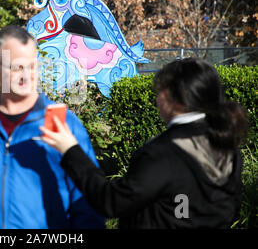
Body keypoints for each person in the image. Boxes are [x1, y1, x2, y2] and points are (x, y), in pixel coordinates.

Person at [41, 57, 249, 228]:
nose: (157, 98)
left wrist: (70, 149)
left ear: (172, 97)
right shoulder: (227, 146)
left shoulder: (163, 154)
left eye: (160, 91)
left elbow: (111, 201)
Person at [0, 25, 105, 229]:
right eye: (17, 67)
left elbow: (88, 201)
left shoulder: (64, 125)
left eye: (32, 66)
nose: (26, 76)